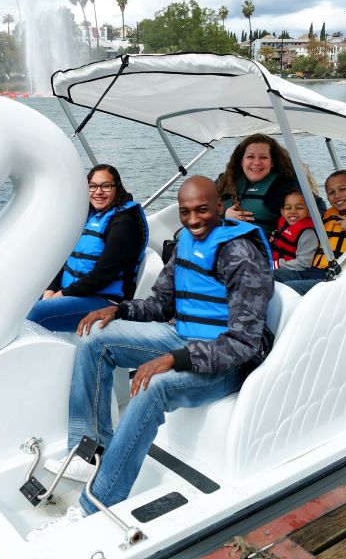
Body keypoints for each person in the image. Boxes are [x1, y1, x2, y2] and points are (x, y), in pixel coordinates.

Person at [36, 176, 273, 529]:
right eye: (185, 212)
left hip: (226, 363)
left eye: (202, 210)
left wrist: (173, 359)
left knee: (153, 387)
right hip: (181, 336)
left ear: (220, 208)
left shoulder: (241, 257)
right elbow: (159, 305)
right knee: (94, 340)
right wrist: (118, 311)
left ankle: (98, 504)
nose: (193, 220)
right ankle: (92, 449)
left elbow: (243, 344)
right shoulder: (185, 244)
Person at [26, 164, 148, 331]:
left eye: (106, 186)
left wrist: (61, 295)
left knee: (37, 312)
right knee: (20, 300)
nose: (98, 192)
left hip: (104, 300)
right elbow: (65, 260)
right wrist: (50, 290)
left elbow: (102, 275)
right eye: (93, 186)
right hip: (74, 292)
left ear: (116, 188)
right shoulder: (88, 215)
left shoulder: (123, 223)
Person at [276, 169, 346, 294]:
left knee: (286, 289)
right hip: (312, 272)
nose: (337, 195)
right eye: (331, 192)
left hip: (339, 279)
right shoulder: (329, 215)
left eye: (343, 189)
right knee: (266, 278)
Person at [217, 134, 300, 237]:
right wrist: (224, 215)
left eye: (263, 157)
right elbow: (201, 212)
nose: (256, 162)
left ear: (272, 162)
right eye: (250, 157)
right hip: (221, 246)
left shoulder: (285, 186)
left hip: (260, 250)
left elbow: (317, 209)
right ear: (242, 161)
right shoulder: (224, 181)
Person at [270, 189, 319, 272]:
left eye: (299, 208)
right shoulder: (283, 226)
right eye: (288, 208)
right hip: (275, 266)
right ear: (283, 212)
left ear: (309, 212)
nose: (293, 211)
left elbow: (303, 264)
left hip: (294, 272)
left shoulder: (308, 234)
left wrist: (273, 265)